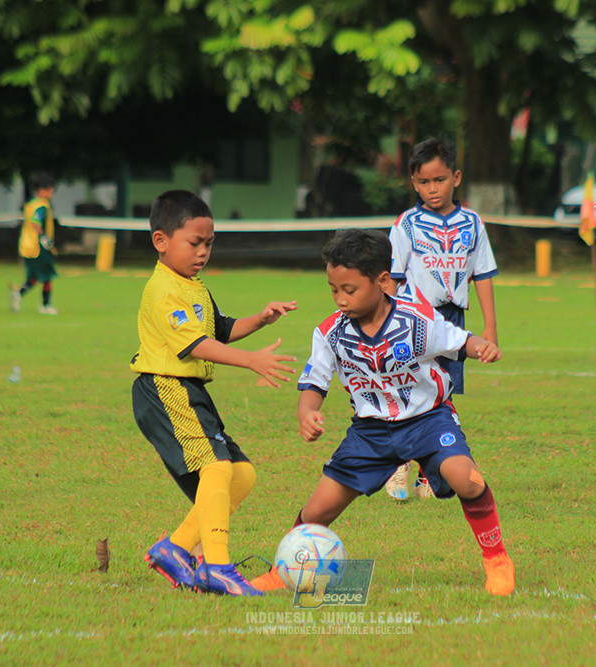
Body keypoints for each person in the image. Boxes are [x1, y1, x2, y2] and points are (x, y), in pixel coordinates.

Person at [250, 229, 515, 596]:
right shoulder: (331, 332)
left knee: (465, 477)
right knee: (316, 511)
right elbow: (315, 381)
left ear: (383, 281)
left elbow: (458, 340)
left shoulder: (416, 320)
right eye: (334, 290)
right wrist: (306, 412)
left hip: (428, 419)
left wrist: (481, 346)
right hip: (370, 433)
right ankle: (285, 571)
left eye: (349, 290)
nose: (340, 299)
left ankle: (497, 559)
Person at [131, 189, 297, 596]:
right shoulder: (165, 291)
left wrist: (260, 319)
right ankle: (217, 566)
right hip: (166, 388)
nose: (203, 252)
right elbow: (196, 346)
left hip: (187, 390)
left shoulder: (193, 286)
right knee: (218, 469)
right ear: (161, 241)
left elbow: (218, 330)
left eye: (209, 244)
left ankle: (175, 548)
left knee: (241, 475)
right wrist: (251, 360)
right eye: (194, 243)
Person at [384, 137, 499, 501]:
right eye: (423, 182)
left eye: (440, 179)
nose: (432, 189)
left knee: (442, 393)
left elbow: (482, 275)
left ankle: (428, 475)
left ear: (456, 177)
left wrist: (490, 329)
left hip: (452, 319)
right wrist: (387, 323)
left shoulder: (472, 224)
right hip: (413, 318)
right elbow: (392, 277)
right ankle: (398, 465)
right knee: (409, 389)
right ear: (413, 184)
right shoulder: (407, 224)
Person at [12, 172, 58, 315]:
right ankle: (45, 305)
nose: (52, 193)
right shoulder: (42, 205)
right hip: (38, 246)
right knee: (47, 276)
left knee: (35, 277)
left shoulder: (30, 204)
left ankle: (18, 293)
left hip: (27, 245)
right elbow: (36, 222)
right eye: (51, 190)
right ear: (43, 191)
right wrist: (44, 238)